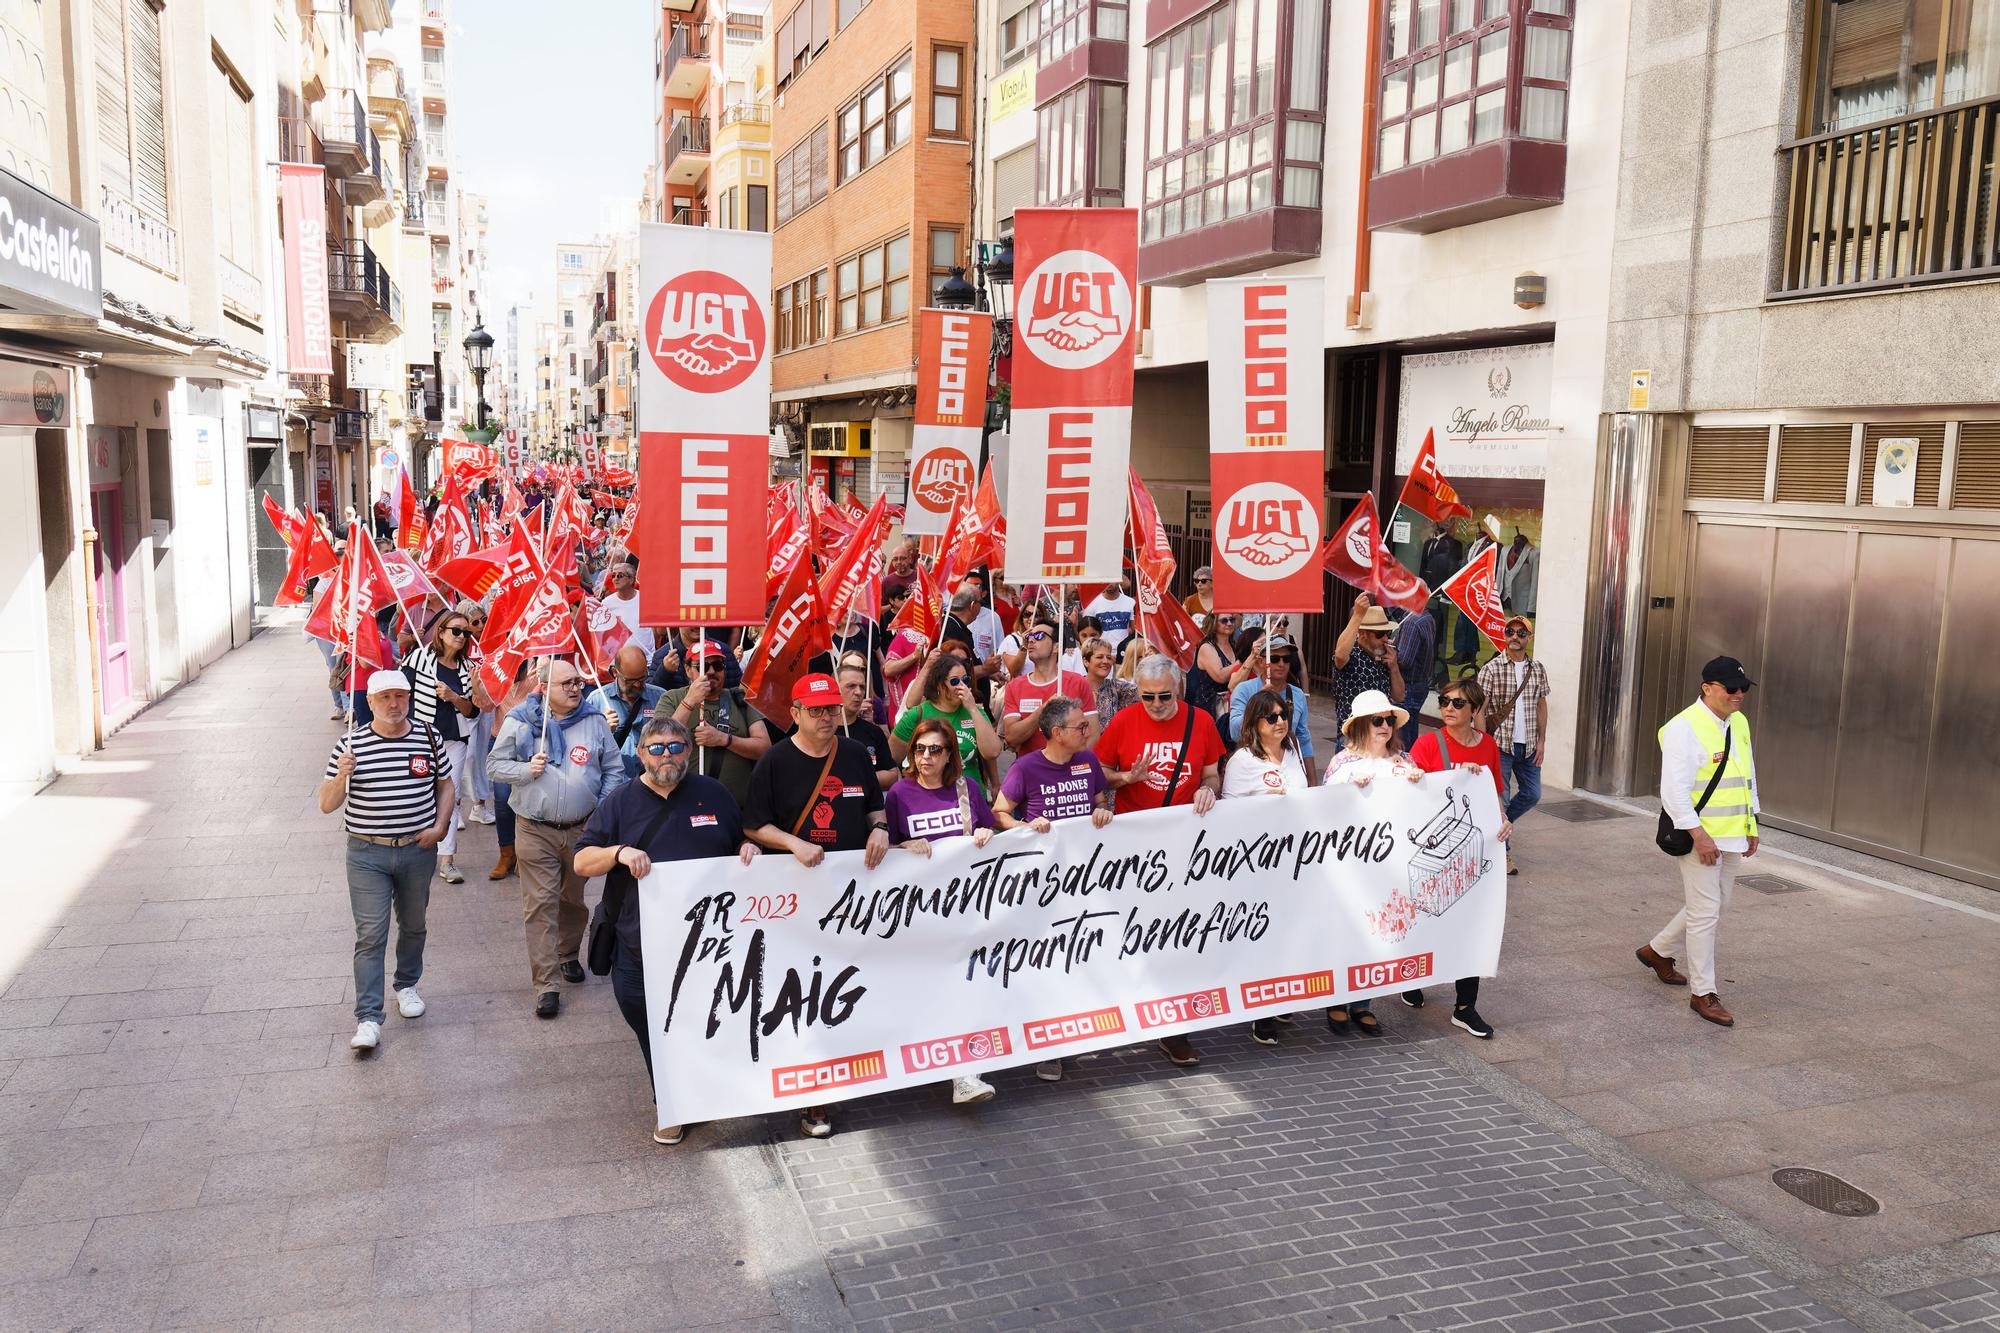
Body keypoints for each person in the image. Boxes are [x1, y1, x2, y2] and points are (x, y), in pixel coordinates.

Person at [574, 717, 758, 1145]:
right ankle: (672, 1100)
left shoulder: (714, 794)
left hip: (709, 945)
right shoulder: (619, 803)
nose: (666, 756)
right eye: (656, 748)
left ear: (689, 752)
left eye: (675, 747)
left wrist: (748, 849)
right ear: (640, 754)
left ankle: (686, 1099)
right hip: (639, 945)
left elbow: (739, 845)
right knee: (650, 1025)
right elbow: (581, 862)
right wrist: (619, 852)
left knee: (704, 1022)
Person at [743, 674, 891, 1138]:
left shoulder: (852, 753)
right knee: (804, 993)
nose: (828, 717)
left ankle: (852, 1069)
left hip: (851, 896)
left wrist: (881, 828)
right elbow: (753, 825)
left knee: (852, 983)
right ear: (797, 713)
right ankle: (813, 1098)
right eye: (818, 710)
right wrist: (792, 845)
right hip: (796, 899)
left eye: (832, 709)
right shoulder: (774, 760)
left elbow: (873, 803)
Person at [1095, 654, 1223, 1069]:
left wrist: (1209, 790)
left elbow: (1211, 773)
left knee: (1176, 934)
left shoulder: (1200, 720)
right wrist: (1125, 780)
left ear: (1178, 689)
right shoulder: (1124, 721)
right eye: (1147, 697)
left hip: (1186, 844)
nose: (1154, 704)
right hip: (1134, 846)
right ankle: (1127, 1011)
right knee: (1133, 933)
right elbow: (1100, 773)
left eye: (1163, 696)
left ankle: (1174, 1029)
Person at [318, 671, 454, 1056]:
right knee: (371, 934)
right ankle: (368, 1017)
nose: (394, 704)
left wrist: (441, 825)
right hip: (367, 853)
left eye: (401, 696)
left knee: (414, 924)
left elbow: (445, 783)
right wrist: (340, 777)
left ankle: (407, 983)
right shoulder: (351, 744)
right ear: (370, 701)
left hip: (416, 849)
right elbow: (327, 804)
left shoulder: (428, 737)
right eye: (385, 698)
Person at [486, 660, 626, 1019]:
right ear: (543, 687)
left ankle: (567, 954)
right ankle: (546, 984)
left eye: (578, 682)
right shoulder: (520, 720)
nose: (576, 688)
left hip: (583, 831)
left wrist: (600, 811)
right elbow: (494, 767)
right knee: (540, 906)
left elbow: (613, 769)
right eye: (566, 683)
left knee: (572, 901)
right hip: (534, 829)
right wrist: (526, 769)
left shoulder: (594, 720)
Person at [883, 714, 1000, 1107]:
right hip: (920, 911)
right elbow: (884, 852)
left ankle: (964, 1073)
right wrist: (903, 848)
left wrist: (986, 834)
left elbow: (989, 837)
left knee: (962, 988)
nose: (926, 757)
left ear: (951, 754)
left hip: (965, 908)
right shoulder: (899, 794)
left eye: (935, 749)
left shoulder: (967, 790)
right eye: (919, 749)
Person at [995, 696, 1113, 1081]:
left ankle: (1073, 1031)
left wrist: (1102, 810)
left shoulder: (1088, 762)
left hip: (1086, 881)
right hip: (1041, 885)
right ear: (1057, 733)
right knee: (1048, 962)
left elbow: (1099, 800)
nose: (1087, 731)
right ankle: (1048, 1047)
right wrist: (1025, 827)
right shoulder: (1026, 767)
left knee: (1079, 959)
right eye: (1080, 726)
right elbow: (1000, 812)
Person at [1639, 656, 1759, 1029]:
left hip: (1732, 831)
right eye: (1730, 689)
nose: (1739, 695)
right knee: (1707, 912)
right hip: (1699, 836)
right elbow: (1673, 793)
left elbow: (1746, 771)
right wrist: (1699, 836)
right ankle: (1703, 993)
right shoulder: (1682, 729)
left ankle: (1657, 951)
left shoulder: (1737, 722)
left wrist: (1752, 820)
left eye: (1743, 688)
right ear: (1707, 688)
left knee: (1716, 904)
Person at [1405, 678, 1510, 1039]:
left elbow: (1494, 791)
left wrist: (1503, 820)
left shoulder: (1489, 747)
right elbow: (1410, 794)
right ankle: (1414, 977)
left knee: (1472, 924)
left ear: (1475, 710)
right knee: (1430, 918)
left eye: (1458, 703)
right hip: (1434, 852)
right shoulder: (1427, 743)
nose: (1448, 708)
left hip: (1473, 848)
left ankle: (1465, 1006)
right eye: (1445, 700)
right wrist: (1417, 776)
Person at [1321, 689, 1423, 1036]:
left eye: (1389, 720)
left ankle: (1364, 1003)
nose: (1384, 726)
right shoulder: (1342, 763)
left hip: (1390, 868)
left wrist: (1419, 784)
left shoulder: (1403, 762)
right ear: (1362, 725)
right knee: (1348, 931)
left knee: (1379, 933)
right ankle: (1337, 1000)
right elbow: (1324, 810)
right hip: (1353, 866)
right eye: (1377, 720)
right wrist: (1348, 788)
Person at [399, 608, 480, 884]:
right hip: (421, 739)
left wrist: (454, 697)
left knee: (451, 795)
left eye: (466, 632)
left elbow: (472, 712)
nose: (461, 636)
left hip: (455, 740)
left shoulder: (467, 668)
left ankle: (447, 860)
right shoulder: (420, 659)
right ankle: (417, 853)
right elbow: (400, 693)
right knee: (417, 794)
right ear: (441, 632)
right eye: (456, 630)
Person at [655, 639, 774, 807]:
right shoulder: (671, 698)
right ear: (688, 670)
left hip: (735, 808)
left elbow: (764, 748)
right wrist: (690, 701)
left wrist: (724, 739)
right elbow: (660, 742)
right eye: (703, 666)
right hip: (684, 806)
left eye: (717, 666)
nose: (711, 671)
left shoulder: (740, 698)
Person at [1475, 615, 1550, 876]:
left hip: (1528, 745)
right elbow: (1479, 710)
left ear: (1529, 638)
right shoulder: (1492, 668)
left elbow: (1541, 705)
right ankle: (1503, 853)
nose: (1515, 636)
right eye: (1510, 631)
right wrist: (1482, 744)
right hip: (1500, 745)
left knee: (1532, 794)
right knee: (1501, 799)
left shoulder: (1537, 668)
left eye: (1521, 632)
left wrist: (1541, 741)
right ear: (1504, 635)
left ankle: (1501, 823)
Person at [889, 651, 1002, 795]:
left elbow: (992, 752)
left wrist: (973, 709)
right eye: (955, 681)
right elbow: (891, 759)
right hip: (929, 798)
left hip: (969, 796)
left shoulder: (974, 711)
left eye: (965, 680)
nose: (961, 686)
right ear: (939, 684)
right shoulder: (917, 714)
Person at [1001, 615, 1098, 756]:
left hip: (1068, 770)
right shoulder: (1014, 686)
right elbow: (1012, 738)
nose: (1031, 640)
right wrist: (1044, 709)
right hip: (1031, 771)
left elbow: (1093, 734)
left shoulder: (1078, 682)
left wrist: (1070, 763)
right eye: (1029, 637)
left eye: (1040, 636)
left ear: (1056, 647)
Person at [1227, 635, 1317, 785]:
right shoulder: (1243, 690)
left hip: (1288, 768)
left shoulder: (1297, 695)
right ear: (1262, 661)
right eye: (1275, 659)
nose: (1281, 664)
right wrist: (1258, 702)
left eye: (1286, 659)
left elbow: (1303, 739)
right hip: (1251, 769)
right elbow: (1235, 733)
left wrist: (1313, 781)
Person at [587, 644, 667, 781]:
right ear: (614, 673)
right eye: (631, 680)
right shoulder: (597, 700)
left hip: (652, 782)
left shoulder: (661, 697)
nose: (637, 685)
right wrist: (603, 730)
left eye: (642, 678)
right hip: (614, 783)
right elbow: (586, 748)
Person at [1332, 594, 1406, 740]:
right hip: (1354, 737)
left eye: (1387, 633)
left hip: (1382, 736)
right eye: (1380, 634)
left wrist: (1394, 667)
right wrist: (1358, 615)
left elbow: (1399, 696)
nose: (1385, 638)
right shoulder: (1351, 654)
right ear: (1363, 634)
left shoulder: (1385, 657)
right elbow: (1339, 656)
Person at [457, 600, 498, 828]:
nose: (481, 625)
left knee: (481, 756)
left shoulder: (491, 642)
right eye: (475, 622)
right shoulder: (459, 644)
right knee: (466, 756)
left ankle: (479, 806)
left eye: (484, 620)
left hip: (488, 706)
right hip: (465, 708)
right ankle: (455, 806)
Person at [836, 654, 898, 789]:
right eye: (851, 686)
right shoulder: (824, 731)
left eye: (862, 687)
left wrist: (859, 777)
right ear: (835, 689)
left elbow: (893, 775)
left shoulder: (873, 731)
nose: (858, 692)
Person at [1394, 591, 1439, 748]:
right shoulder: (1426, 617)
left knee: (1403, 735)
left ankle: (1408, 766)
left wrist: (1390, 654)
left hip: (1409, 686)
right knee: (1410, 728)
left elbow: (1404, 660)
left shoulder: (1412, 622)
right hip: (1419, 684)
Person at [1187, 611, 1241, 733]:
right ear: (1214, 623)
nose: (1229, 623)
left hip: (1230, 704)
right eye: (1224, 620)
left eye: (1232, 620)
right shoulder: (1207, 647)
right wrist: (1243, 660)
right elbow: (1220, 676)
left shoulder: (1234, 645)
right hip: (1209, 706)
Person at [599, 561, 654, 657]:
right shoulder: (606, 603)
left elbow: (655, 629)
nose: (615, 579)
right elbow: (603, 634)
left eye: (620, 575)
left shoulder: (646, 599)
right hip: (620, 663)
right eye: (613, 575)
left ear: (631, 579)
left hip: (647, 659)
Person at [1081, 638, 1135, 722]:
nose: (1106, 661)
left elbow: (1145, 691)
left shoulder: (1119, 688)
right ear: (1086, 661)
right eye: (1099, 657)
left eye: (1109, 657)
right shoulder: (1075, 687)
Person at [1084, 575, 1137, 654]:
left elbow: (1135, 630)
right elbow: (1087, 633)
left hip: (1124, 652)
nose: (1108, 582)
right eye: (1105, 578)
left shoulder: (1130, 602)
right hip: (1101, 652)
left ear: (1119, 579)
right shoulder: (1092, 604)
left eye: (1111, 578)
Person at [1500, 529, 1538, 617]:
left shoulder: (1534, 553)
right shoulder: (1504, 550)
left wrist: (1531, 608)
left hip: (1522, 604)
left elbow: (1535, 583)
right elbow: (1500, 575)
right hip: (1504, 599)